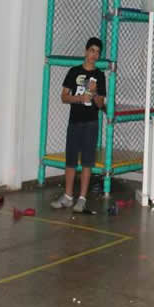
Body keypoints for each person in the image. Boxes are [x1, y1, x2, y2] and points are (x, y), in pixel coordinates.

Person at [51, 37, 107, 214]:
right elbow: (64, 97)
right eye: (92, 50)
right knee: (71, 160)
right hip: (74, 121)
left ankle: (82, 198)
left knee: (87, 161)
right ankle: (68, 196)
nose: (94, 55)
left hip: (91, 123)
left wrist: (95, 92)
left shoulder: (100, 75)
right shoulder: (74, 71)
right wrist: (80, 98)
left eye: (97, 52)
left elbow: (101, 104)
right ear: (85, 51)